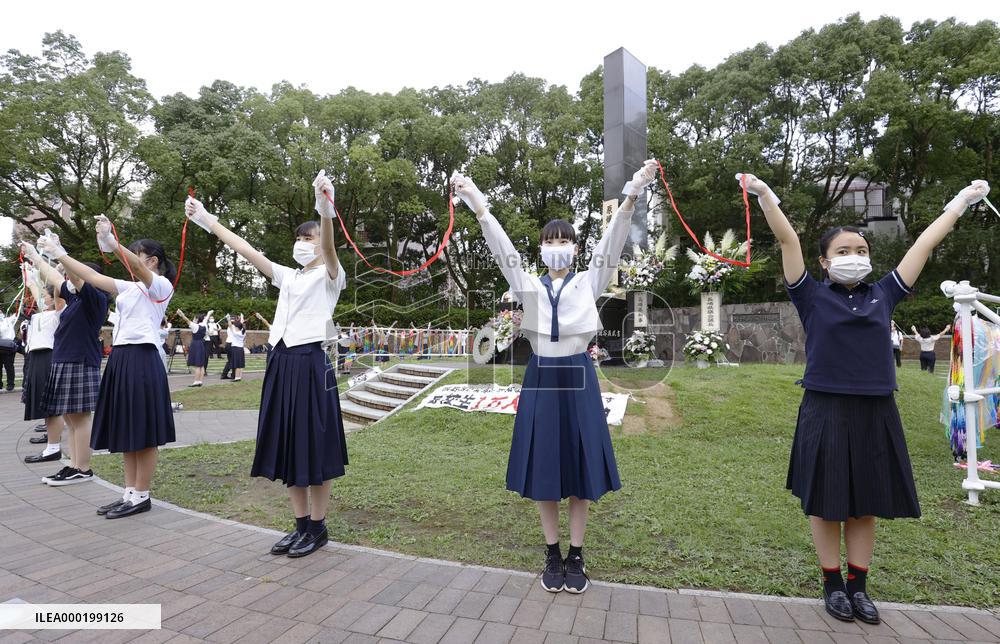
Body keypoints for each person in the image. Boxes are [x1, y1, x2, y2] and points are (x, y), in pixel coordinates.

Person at [737, 171, 989, 624]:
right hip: (825, 407)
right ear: (824, 262)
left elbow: (924, 246)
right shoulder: (810, 295)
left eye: (861, 251)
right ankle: (832, 585)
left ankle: (859, 586)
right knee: (826, 502)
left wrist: (962, 200)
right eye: (843, 252)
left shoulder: (884, 294)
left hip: (876, 409)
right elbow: (788, 239)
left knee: (864, 504)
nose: (854, 257)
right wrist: (765, 195)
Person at [451, 161, 657, 595]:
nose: (557, 246)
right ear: (541, 248)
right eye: (550, 241)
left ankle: (576, 554)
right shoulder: (525, 282)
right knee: (545, 463)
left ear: (576, 249)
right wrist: (478, 206)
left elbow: (612, 244)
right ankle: (552, 551)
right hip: (541, 374)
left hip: (578, 374)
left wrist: (632, 196)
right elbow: (501, 248)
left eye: (565, 240)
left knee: (580, 467)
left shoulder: (589, 281)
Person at [185, 169, 347, 558]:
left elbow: (329, 243)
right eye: (298, 238)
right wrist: (206, 219)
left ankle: (318, 527)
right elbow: (245, 249)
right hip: (281, 362)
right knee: (290, 444)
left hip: (311, 362)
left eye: (307, 239)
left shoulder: (331, 276)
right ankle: (300, 525)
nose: (301, 243)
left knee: (315, 446)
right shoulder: (287, 277)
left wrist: (325, 210)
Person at [38, 215, 178, 519]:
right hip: (121, 359)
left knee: (145, 432)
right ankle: (129, 494)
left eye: (136, 255)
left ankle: (142, 494)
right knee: (128, 428)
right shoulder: (128, 288)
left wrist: (113, 243)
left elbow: (137, 268)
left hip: (143, 359)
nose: (132, 262)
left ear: (152, 261)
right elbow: (90, 275)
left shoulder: (161, 287)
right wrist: (58, 252)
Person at [21, 240, 109, 485]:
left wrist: (60, 253)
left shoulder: (95, 298)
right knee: (71, 417)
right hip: (65, 360)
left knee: (79, 417)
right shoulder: (75, 300)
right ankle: (73, 465)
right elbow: (58, 279)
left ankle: (83, 467)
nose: (66, 279)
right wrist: (36, 258)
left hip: (79, 360)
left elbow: (76, 278)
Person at [20, 268, 66, 464]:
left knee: (51, 404)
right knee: (44, 402)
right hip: (37, 357)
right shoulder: (42, 313)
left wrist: (57, 270)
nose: (42, 298)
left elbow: (58, 291)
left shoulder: (57, 313)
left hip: (48, 356)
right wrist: (30, 276)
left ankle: (53, 447)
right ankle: (51, 443)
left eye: (46, 295)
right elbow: (34, 289)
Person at [175, 309, 209, 386]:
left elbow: (186, 320)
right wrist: (209, 314)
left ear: (197, 319)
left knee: (197, 365)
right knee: (201, 365)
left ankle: (196, 381)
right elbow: (205, 320)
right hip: (202, 344)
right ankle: (200, 381)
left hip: (196, 344)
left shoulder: (195, 326)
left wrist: (181, 314)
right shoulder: (204, 325)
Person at [0, 312, 17, 392]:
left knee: (9, 366)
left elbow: (16, 315)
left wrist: (20, 306)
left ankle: (10, 384)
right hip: (1, 345)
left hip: (9, 346)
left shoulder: (8, 320)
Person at [226, 317, 246, 382]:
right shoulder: (243, 332)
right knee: (240, 364)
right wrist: (241, 320)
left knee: (237, 364)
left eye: (235, 326)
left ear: (237, 327)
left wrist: (228, 319)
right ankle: (239, 377)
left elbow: (230, 325)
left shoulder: (236, 333)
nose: (234, 326)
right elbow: (241, 326)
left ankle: (237, 378)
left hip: (236, 349)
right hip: (240, 349)